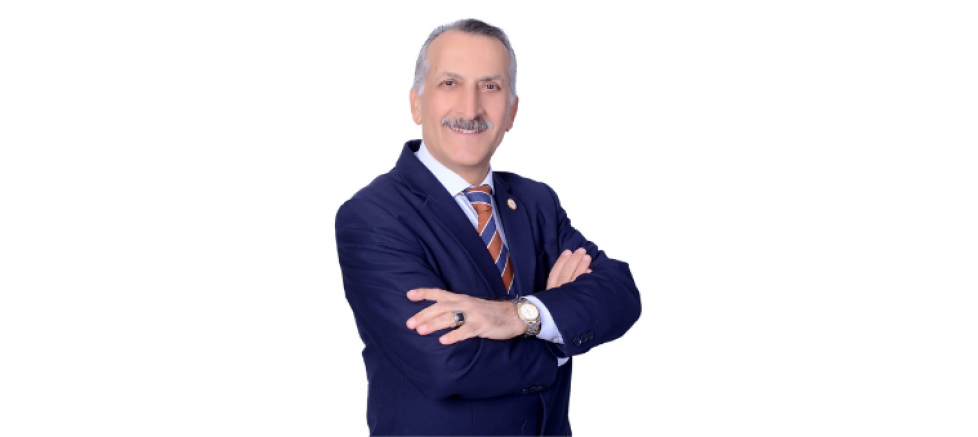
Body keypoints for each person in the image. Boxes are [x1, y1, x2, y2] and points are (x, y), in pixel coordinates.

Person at [335, 18, 642, 436]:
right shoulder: (373, 216)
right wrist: (556, 336)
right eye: (450, 83)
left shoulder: (536, 201)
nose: (470, 109)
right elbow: (447, 365)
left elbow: (620, 294)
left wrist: (518, 315)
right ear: (416, 103)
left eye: (491, 87)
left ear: (511, 111)